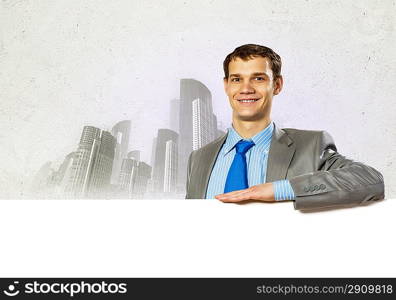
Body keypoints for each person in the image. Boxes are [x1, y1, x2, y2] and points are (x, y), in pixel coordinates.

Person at [185, 44, 384, 210]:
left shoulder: (311, 147)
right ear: (226, 86)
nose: (246, 89)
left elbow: (370, 180)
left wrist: (280, 190)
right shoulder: (199, 158)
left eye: (258, 78)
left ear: (277, 85)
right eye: (237, 79)